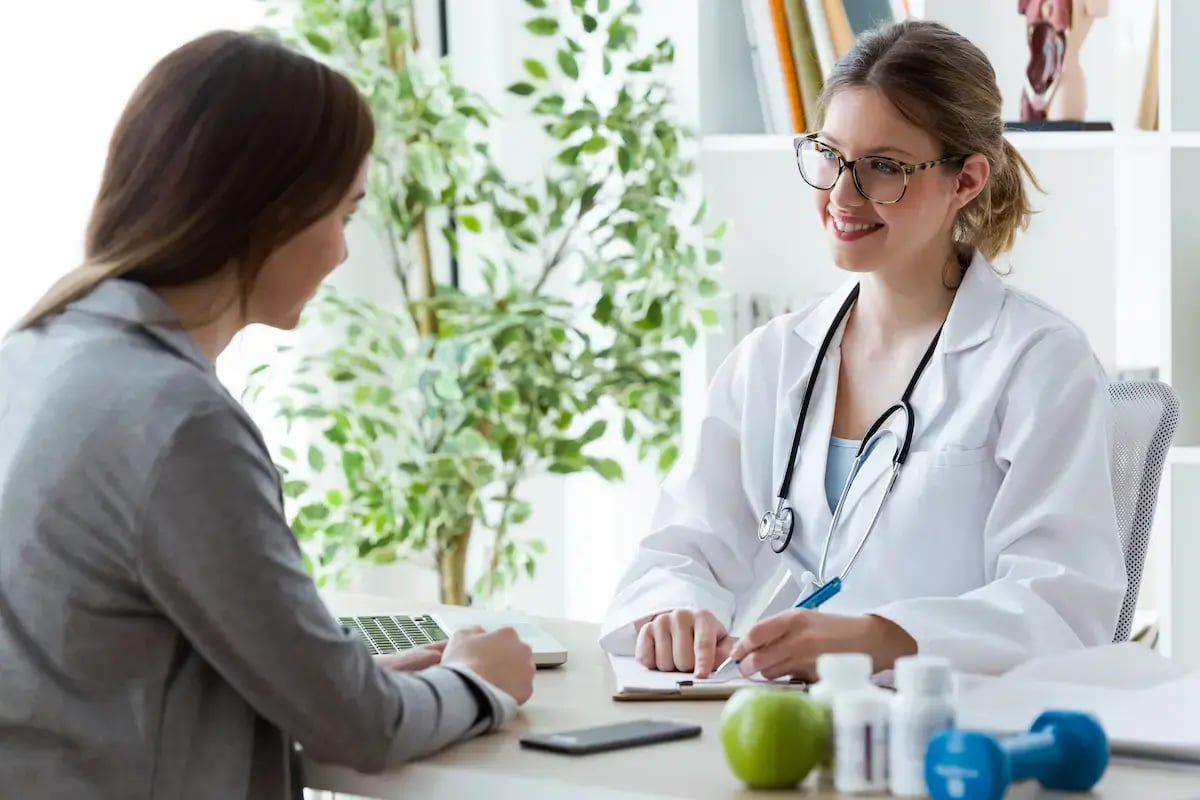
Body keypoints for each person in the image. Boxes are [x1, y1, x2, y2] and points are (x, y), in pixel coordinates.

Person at [0, 30, 535, 800]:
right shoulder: (177, 421)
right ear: (274, 211)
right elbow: (359, 728)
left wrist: (315, 670)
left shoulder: (41, 348)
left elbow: (122, 653)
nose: (343, 254)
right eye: (344, 214)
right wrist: (480, 684)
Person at [599, 19, 1127, 683]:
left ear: (965, 181)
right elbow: (677, 553)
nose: (841, 196)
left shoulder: (1038, 363)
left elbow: (1062, 607)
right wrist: (677, 612)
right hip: (774, 730)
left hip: (949, 737)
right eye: (830, 155)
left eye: (883, 168)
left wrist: (880, 638)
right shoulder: (772, 361)